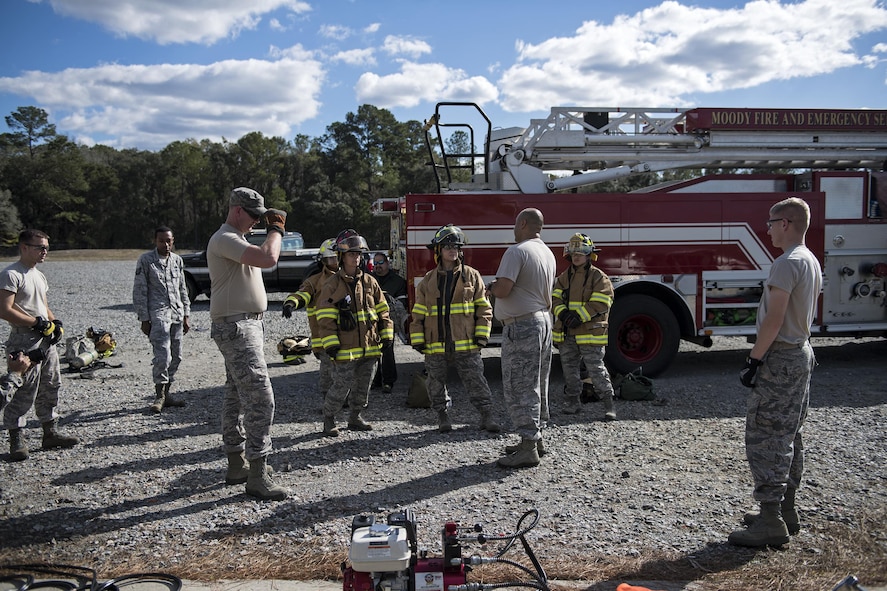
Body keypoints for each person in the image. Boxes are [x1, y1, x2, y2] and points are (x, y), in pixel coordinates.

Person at [729, 197, 822, 547]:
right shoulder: (809, 260)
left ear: (786, 223)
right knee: (789, 434)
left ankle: (770, 520)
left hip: (781, 358)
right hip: (801, 353)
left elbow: (775, 317)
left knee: (766, 436)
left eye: (770, 221)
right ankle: (786, 510)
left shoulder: (787, 263)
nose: (766, 228)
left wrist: (754, 359)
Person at [207, 187, 289, 501]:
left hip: (241, 324)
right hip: (237, 327)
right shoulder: (225, 237)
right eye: (254, 215)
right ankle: (257, 474)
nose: (257, 221)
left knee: (235, 396)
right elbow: (269, 257)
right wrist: (276, 229)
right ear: (238, 210)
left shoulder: (234, 239)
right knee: (261, 399)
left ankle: (236, 464)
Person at [410, 225, 500, 434]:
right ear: (438, 250)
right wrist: (418, 339)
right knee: (435, 383)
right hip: (435, 344)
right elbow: (419, 314)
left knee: (476, 380)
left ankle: (487, 416)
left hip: (466, 343)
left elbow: (484, 309)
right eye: (448, 246)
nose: (452, 250)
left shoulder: (472, 276)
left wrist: (481, 335)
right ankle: (443, 417)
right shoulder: (428, 281)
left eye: (456, 247)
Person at [1, 229, 79, 462]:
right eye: (40, 247)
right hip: (23, 339)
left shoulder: (38, 275)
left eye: (46, 247)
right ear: (24, 247)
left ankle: (50, 432)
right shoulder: (11, 274)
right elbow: (5, 310)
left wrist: (55, 324)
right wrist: (36, 324)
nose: (45, 251)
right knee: (24, 388)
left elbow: (43, 307)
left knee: (51, 384)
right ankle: (17, 439)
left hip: (44, 339)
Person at [488, 208, 556, 468]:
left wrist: (491, 287)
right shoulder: (546, 252)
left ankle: (528, 446)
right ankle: (536, 439)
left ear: (523, 223)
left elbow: (504, 289)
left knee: (520, 385)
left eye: (516, 224)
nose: (514, 229)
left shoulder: (516, 251)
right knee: (538, 381)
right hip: (542, 321)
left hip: (522, 326)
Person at [315, 229, 393, 437]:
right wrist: (331, 344)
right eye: (352, 254)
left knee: (363, 385)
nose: (356, 258)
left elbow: (383, 310)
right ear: (341, 257)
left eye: (359, 254)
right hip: (344, 348)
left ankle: (355, 417)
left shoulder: (370, 282)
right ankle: (329, 418)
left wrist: (387, 334)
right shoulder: (332, 285)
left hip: (369, 347)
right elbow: (324, 318)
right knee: (340, 386)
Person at [552, 233, 617, 421]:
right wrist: (563, 314)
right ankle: (573, 402)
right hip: (568, 332)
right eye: (574, 254)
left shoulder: (599, 277)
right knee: (569, 369)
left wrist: (579, 317)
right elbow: (555, 298)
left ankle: (609, 404)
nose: (577, 256)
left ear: (589, 254)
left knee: (596, 369)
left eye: (581, 253)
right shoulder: (565, 277)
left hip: (589, 332)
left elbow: (602, 302)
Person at [133, 226, 191, 413]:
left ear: (173, 241)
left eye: (169, 241)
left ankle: (167, 392)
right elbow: (140, 291)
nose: (166, 245)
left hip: (176, 314)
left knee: (177, 356)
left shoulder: (177, 261)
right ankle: (159, 395)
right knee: (162, 356)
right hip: (158, 316)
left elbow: (183, 288)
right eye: (161, 241)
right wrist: (144, 318)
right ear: (155, 241)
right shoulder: (146, 261)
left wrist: (186, 314)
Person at [282, 238, 338, 399]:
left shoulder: (351, 278)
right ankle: (328, 403)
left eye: (336, 257)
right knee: (328, 373)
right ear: (323, 261)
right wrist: (291, 303)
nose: (334, 261)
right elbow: (303, 293)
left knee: (347, 372)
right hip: (324, 338)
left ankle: (345, 401)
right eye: (330, 258)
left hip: (347, 336)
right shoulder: (316, 281)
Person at [371, 252, 407, 393]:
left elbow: (402, 303)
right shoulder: (369, 280)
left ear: (387, 263)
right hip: (371, 320)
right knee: (373, 351)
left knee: (387, 350)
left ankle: (389, 382)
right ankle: (375, 380)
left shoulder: (397, 281)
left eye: (380, 263)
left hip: (388, 320)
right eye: (375, 263)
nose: (378, 266)